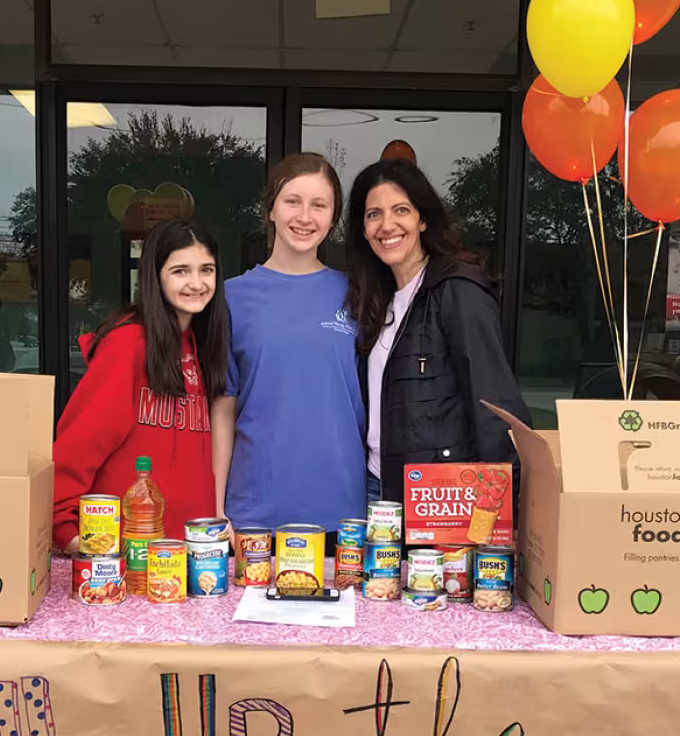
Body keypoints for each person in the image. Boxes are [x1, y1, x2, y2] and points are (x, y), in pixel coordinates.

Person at [344, 158, 531, 503]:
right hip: (377, 490)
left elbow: (494, 405)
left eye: (401, 210)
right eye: (373, 215)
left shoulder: (457, 290)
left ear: (423, 219)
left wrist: (506, 508)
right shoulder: (374, 300)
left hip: (442, 500)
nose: (387, 225)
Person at [211, 152, 366, 536]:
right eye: (292, 201)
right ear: (271, 210)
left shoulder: (359, 295)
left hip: (343, 513)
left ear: (333, 218)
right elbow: (223, 410)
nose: (304, 216)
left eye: (319, 205)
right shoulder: (231, 297)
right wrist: (216, 508)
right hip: (254, 514)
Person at [52, 217, 228, 552]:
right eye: (180, 271)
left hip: (190, 555)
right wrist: (74, 537)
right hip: (128, 560)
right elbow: (78, 445)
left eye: (207, 269)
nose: (197, 282)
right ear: (155, 276)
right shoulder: (128, 343)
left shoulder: (200, 344)